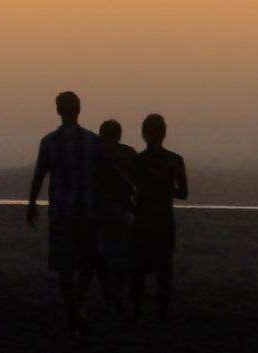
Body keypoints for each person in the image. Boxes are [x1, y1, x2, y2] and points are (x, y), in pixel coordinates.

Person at [27, 90, 100, 335]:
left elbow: (39, 175)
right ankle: (75, 309)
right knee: (87, 263)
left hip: (61, 211)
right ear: (79, 109)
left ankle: (73, 311)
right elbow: (102, 176)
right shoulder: (92, 140)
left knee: (65, 266)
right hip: (87, 210)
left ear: (59, 110)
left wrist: (31, 205)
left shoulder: (49, 142)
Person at [128, 113, 188, 323]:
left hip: (143, 220)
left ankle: (136, 313)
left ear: (144, 134)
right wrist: (164, 186)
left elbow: (130, 192)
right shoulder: (175, 160)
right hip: (163, 221)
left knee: (137, 270)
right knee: (164, 270)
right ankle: (161, 314)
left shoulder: (137, 161)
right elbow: (183, 193)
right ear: (164, 134)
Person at [93, 119, 138, 314]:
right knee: (123, 256)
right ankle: (116, 294)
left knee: (101, 256)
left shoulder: (94, 154)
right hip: (122, 210)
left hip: (100, 210)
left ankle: (109, 294)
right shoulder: (128, 153)